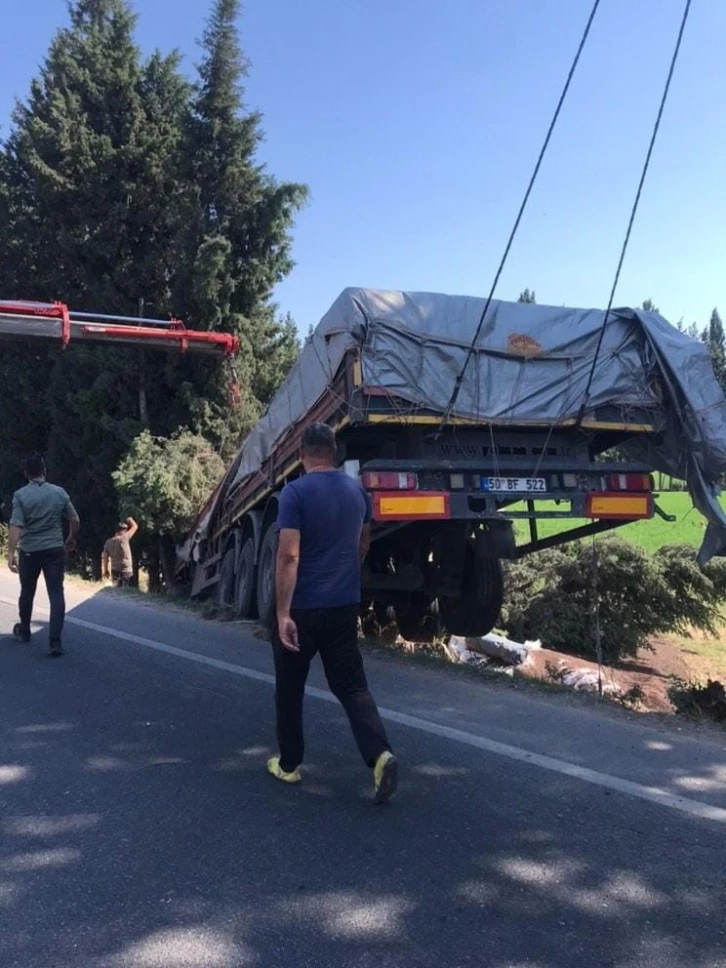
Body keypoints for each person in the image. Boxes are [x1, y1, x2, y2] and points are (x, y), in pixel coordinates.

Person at [269, 422, 398, 804]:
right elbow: (363, 542)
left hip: (302, 608)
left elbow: (289, 555)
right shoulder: (357, 492)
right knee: (352, 685)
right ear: (335, 452)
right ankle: (380, 755)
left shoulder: (294, 493)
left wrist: (282, 613)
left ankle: (289, 764)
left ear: (300, 455)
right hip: (343, 605)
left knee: (290, 688)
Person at [7, 455, 80, 657]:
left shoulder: (20, 495)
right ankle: (55, 641)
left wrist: (11, 552)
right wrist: (71, 538)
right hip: (55, 549)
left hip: (30, 551)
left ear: (26, 474)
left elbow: (16, 526)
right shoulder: (58, 493)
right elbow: (75, 519)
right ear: (44, 471)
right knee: (56, 592)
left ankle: (25, 630)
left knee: (27, 591)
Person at [102, 517, 139, 586]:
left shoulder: (108, 542)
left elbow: (105, 558)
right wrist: (130, 519)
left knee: (117, 591)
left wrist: (106, 570)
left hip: (114, 570)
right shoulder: (124, 538)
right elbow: (135, 526)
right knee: (126, 592)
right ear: (124, 531)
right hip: (126, 571)